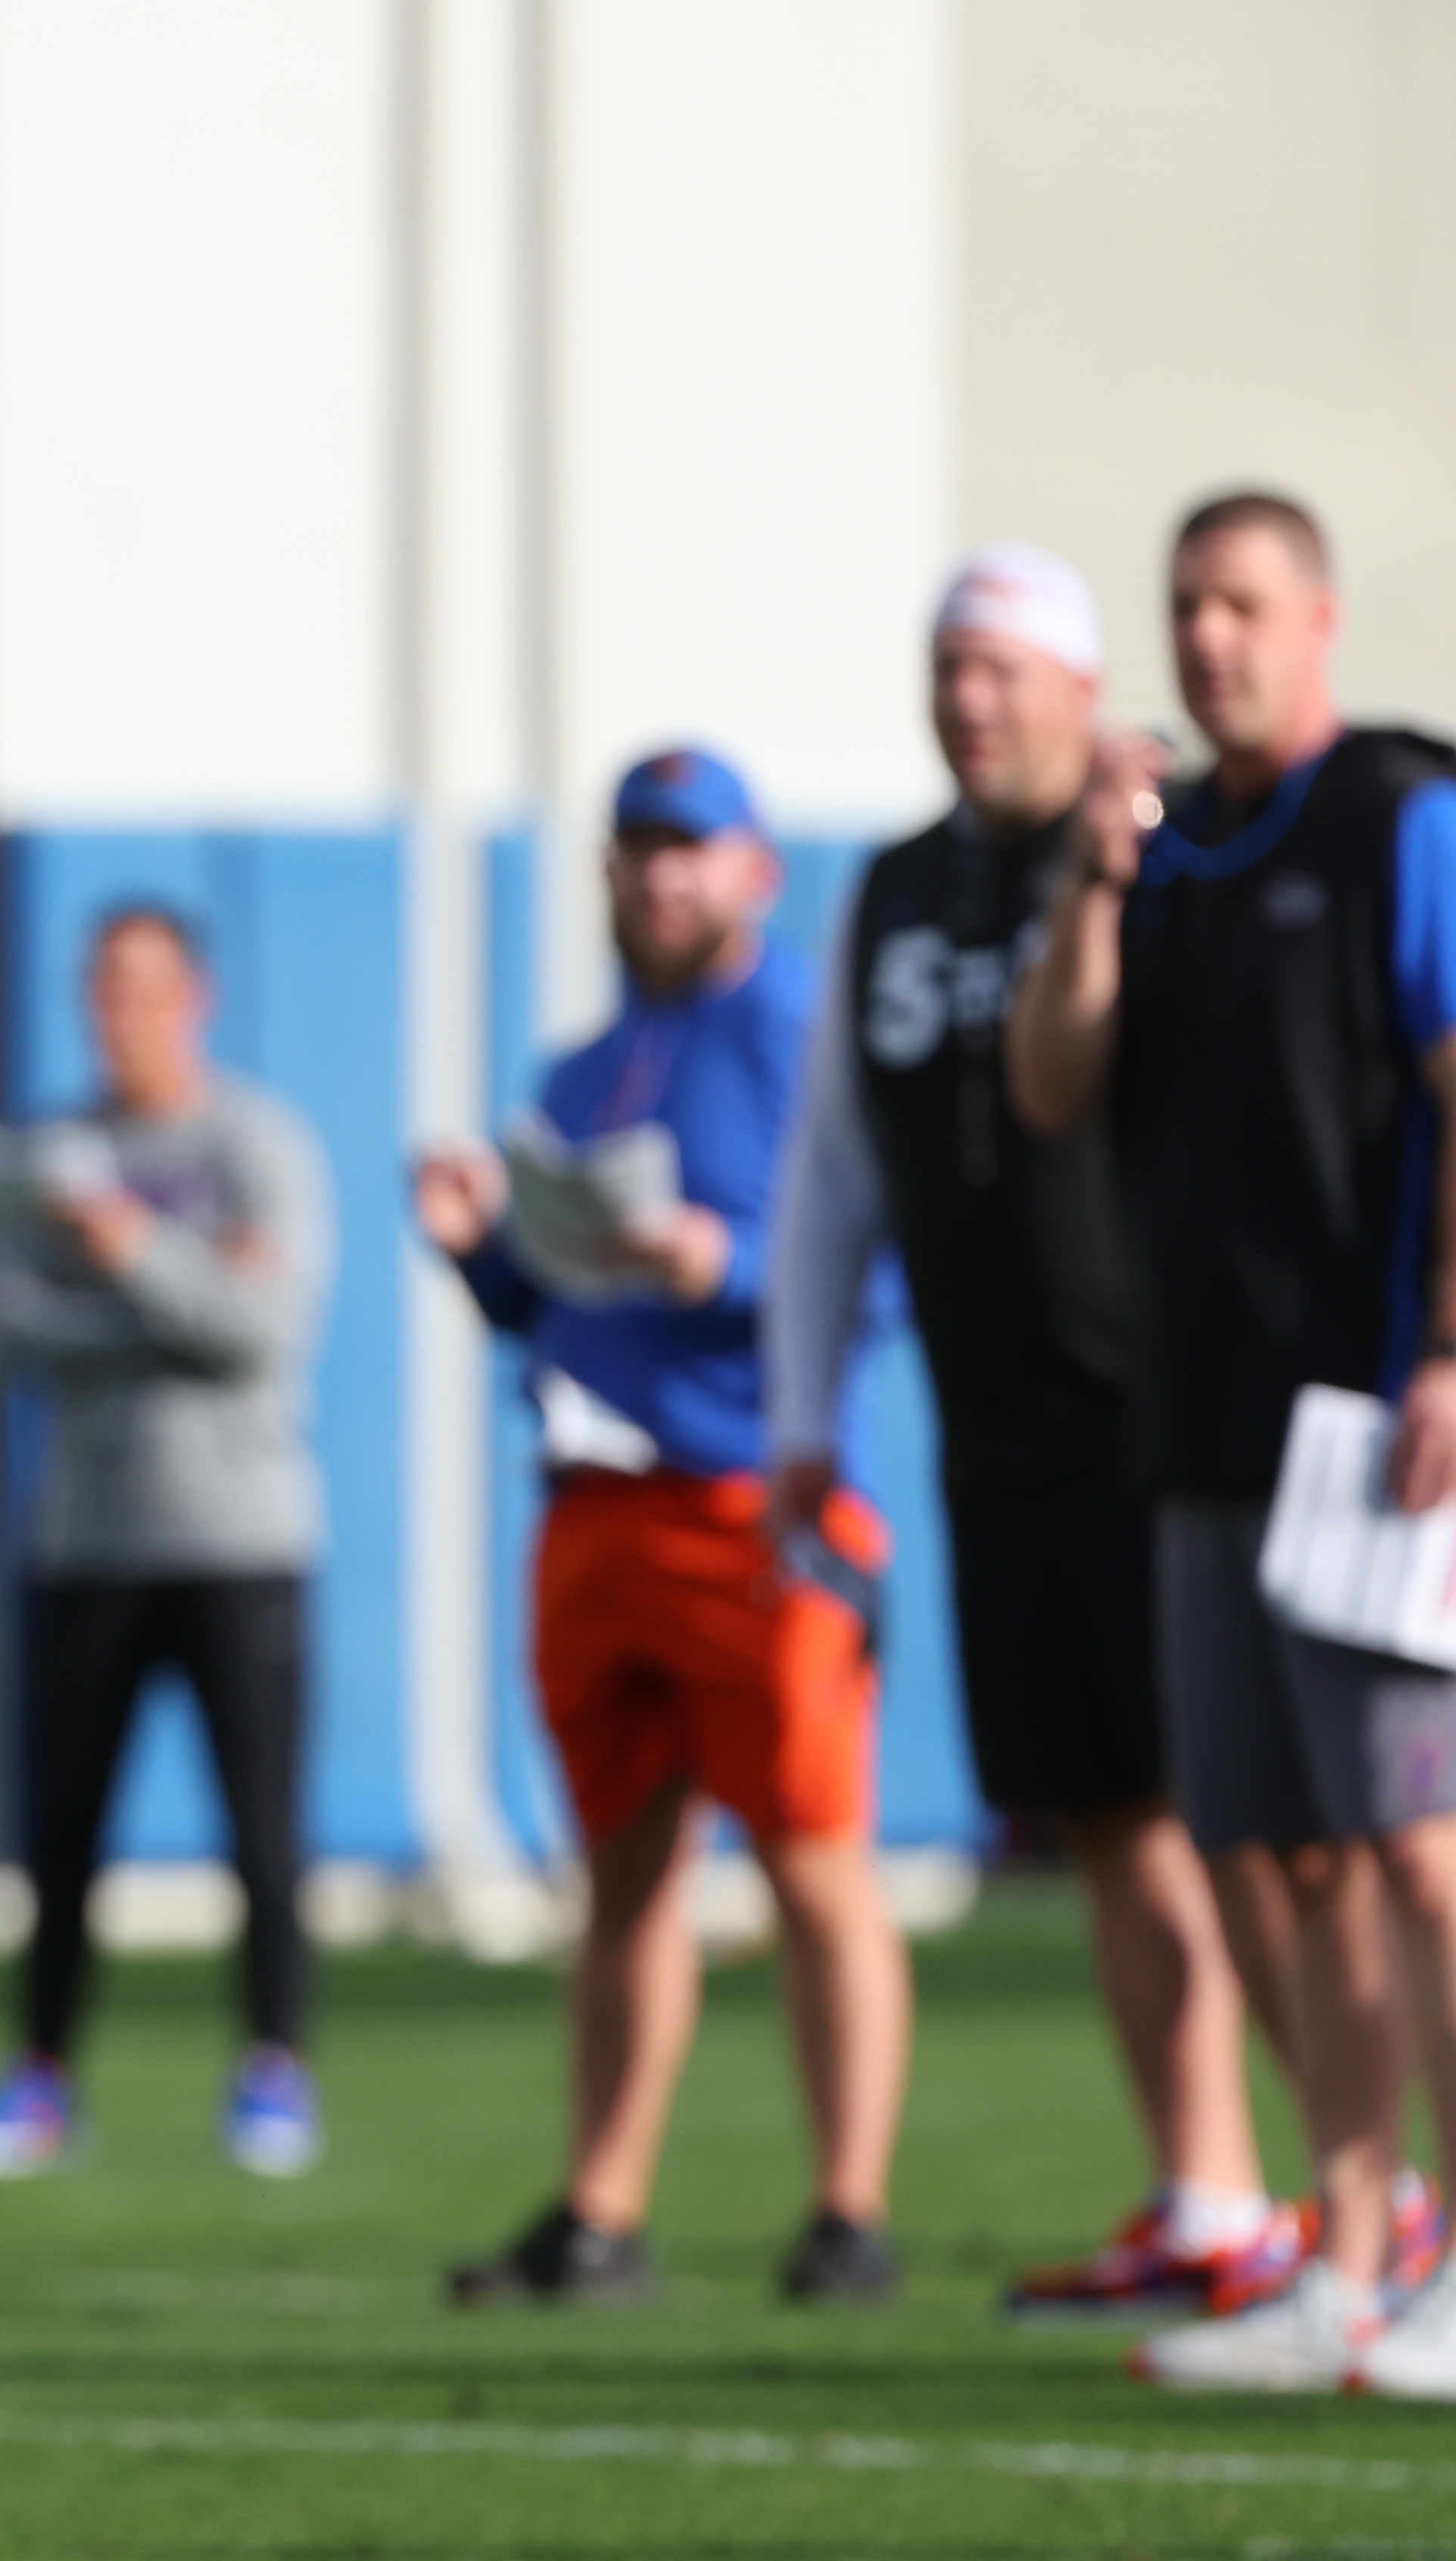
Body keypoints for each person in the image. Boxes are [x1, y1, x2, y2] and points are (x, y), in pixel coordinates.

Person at [765, 545, 1296, 2323]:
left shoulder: (1170, 845)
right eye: (946, 670)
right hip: (993, 1424)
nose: (969, 701)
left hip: (1165, 1410)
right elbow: (837, 1168)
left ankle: (1369, 2202)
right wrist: (801, 1409)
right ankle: (1214, 2192)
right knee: (1113, 1816)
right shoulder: (897, 890)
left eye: (1001, 669)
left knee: (1256, 1818)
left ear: (1077, 686)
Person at [1004, 491, 1456, 2393]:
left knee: (1419, 1844)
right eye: (1185, 608)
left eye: (1241, 604)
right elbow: (1050, 1087)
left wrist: (1449, 1346)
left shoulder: (1396, 822)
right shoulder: (1157, 851)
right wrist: (1089, 886)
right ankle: (1348, 2263)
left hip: (1372, 1422)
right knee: (1278, 1859)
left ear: (1318, 620)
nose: (1210, 641)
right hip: (1201, 1428)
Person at [415, 747, 916, 2308]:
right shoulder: (584, 1066)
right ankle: (603, 2209)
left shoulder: (798, 1039)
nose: (656, 876)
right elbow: (560, 1303)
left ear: (758, 870)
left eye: (688, 849)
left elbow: (875, 1271)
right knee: (623, 1877)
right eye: (636, 849)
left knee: (813, 1859)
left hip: (748, 1501)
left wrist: (730, 1266)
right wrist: (486, 1254)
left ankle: (848, 2205)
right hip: (595, 1495)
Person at [0, 901, 334, 2181]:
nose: (123, 1014)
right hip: (86, 1543)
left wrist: (127, 1247)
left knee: (262, 1832)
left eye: (146, 989)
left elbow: (258, 1328)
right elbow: (9, 1320)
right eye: (103, 990)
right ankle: (43, 2079)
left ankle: (276, 2070)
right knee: (62, 1833)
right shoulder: (52, 1146)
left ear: (195, 999)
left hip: (240, 1539)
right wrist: (169, 1294)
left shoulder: (255, 1145)